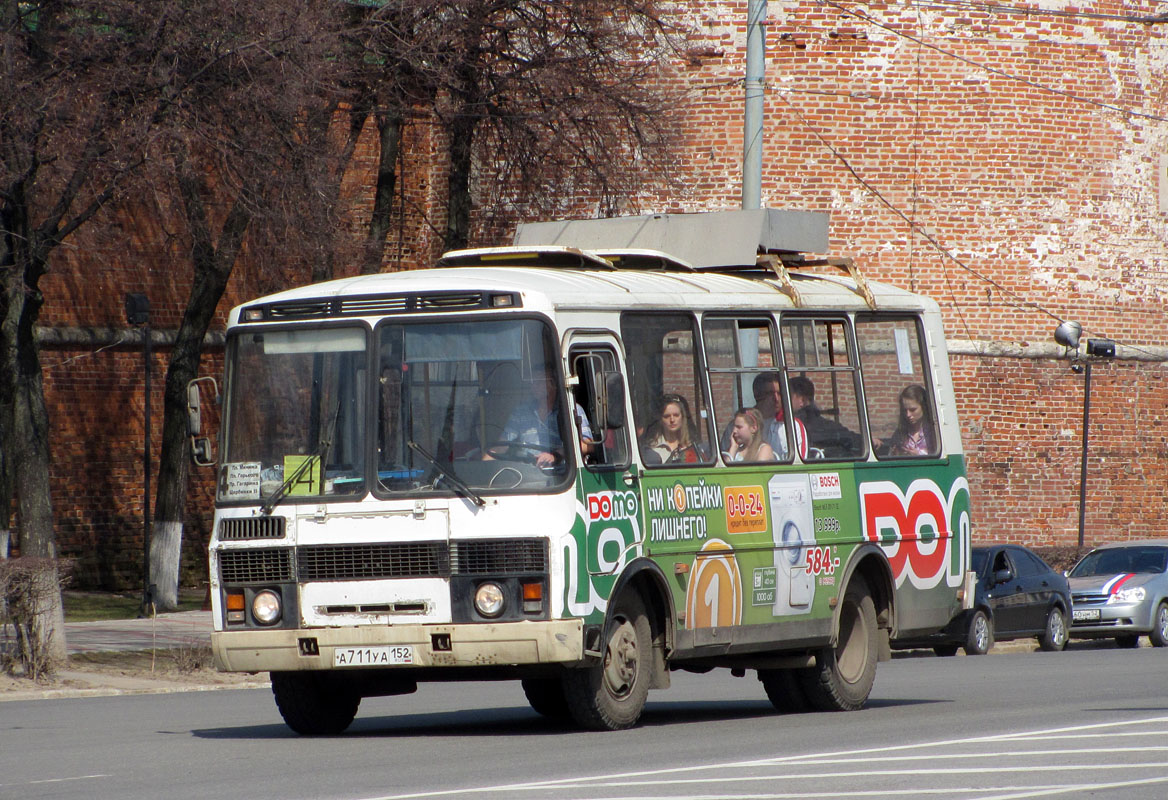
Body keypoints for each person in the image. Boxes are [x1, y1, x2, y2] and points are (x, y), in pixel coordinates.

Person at [486, 372, 589, 468]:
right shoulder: (521, 412)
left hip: (562, 475)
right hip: (527, 473)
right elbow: (504, 444)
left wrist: (556, 455)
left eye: (539, 382)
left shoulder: (572, 409)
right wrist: (483, 464)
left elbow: (587, 445)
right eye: (532, 382)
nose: (534, 386)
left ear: (554, 384)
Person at [789, 375, 862, 458]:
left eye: (788, 397)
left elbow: (844, 436)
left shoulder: (803, 424)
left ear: (802, 400)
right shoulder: (824, 424)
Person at [641, 394, 702, 464]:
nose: (672, 420)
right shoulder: (652, 449)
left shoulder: (693, 447)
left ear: (682, 417)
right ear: (660, 419)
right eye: (667, 416)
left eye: (676, 415)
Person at [883, 384, 935, 456]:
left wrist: (919, 454)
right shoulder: (900, 434)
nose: (908, 415)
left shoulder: (934, 432)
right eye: (905, 410)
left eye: (912, 410)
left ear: (923, 407)